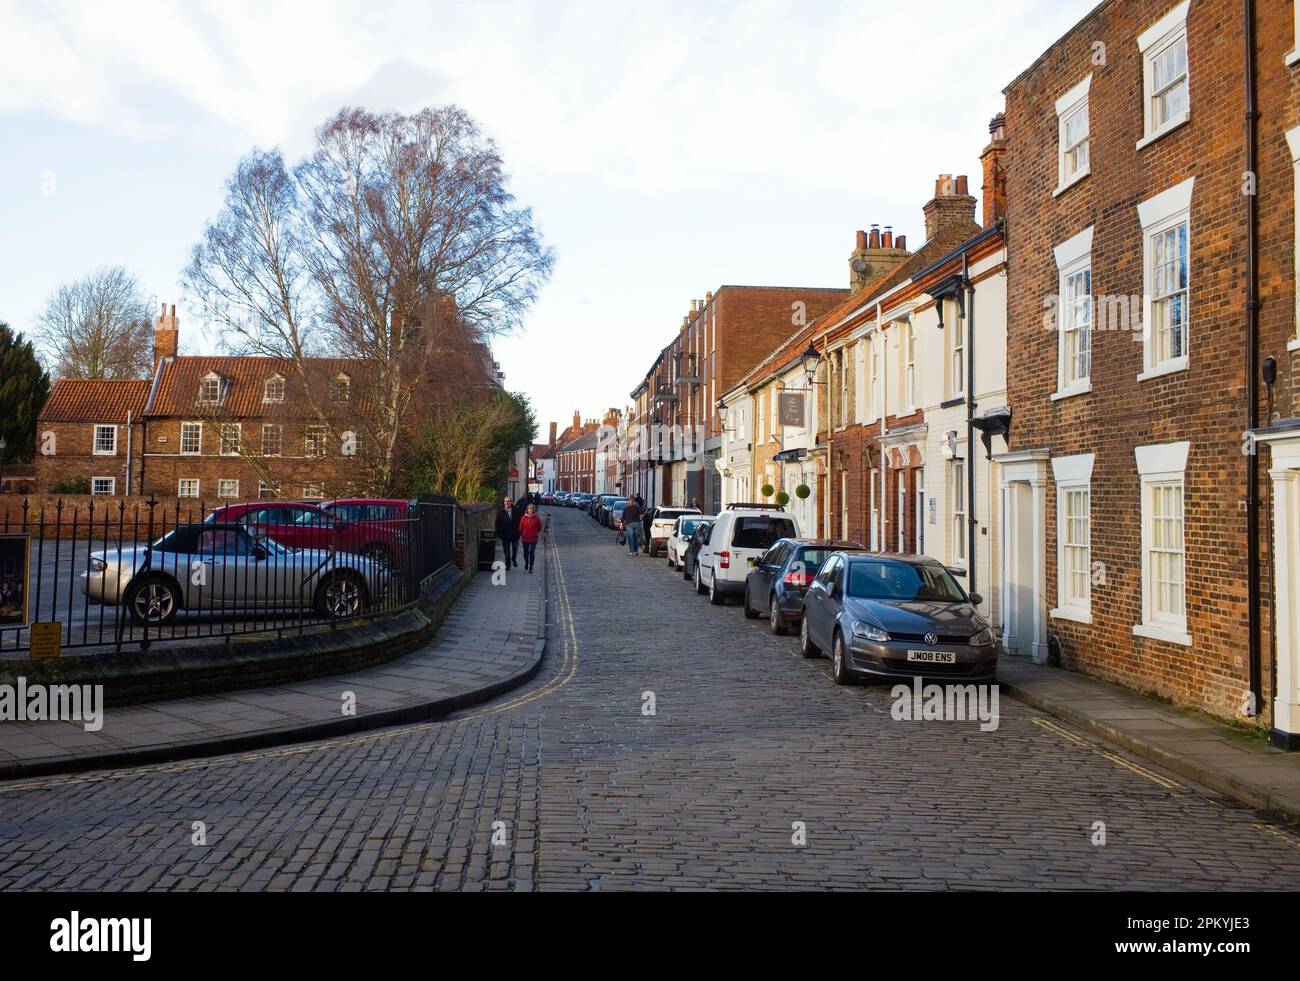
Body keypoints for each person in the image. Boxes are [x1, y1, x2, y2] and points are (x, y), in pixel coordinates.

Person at [496, 496, 520, 569]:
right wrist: (500, 534)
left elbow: (520, 522)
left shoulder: (516, 510)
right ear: (504, 502)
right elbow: (497, 524)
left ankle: (514, 558)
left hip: (515, 534)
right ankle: (508, 565)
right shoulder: (500, 512)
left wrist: (520, 532)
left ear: (511, 502)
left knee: (515, 549)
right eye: (505, 501)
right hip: (505, 535)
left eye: (508, 501)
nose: (507, 502)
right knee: (506, 553)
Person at [519, 502, 543, 573]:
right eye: (529, 508)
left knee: (531, 552)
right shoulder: (523, 518)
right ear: (527, 509)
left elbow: (540, 528)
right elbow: (520, 527)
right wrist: (521, 534)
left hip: (534, 538)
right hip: (525, 538)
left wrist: (535, 532)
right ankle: (526, 562)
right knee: (525, 553)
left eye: (532, 508)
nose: (531, 509)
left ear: (534, 510)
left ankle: (531, 567)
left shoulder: (537, 518)